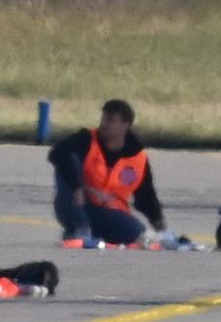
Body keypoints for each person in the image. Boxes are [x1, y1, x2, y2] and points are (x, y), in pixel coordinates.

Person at [47, 99, 173, 247]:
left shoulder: (137, 158)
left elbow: (146, 197)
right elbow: (57, 153)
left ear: (125, 126)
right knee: (68, 161)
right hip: (78, 203)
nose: (104, 124)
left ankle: (95, 234)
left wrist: (162, 229)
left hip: (109, 212)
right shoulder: (86, 139)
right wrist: (79, 187)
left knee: (138, 234)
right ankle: (79, 228)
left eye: (111, 120)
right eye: (103, 118)